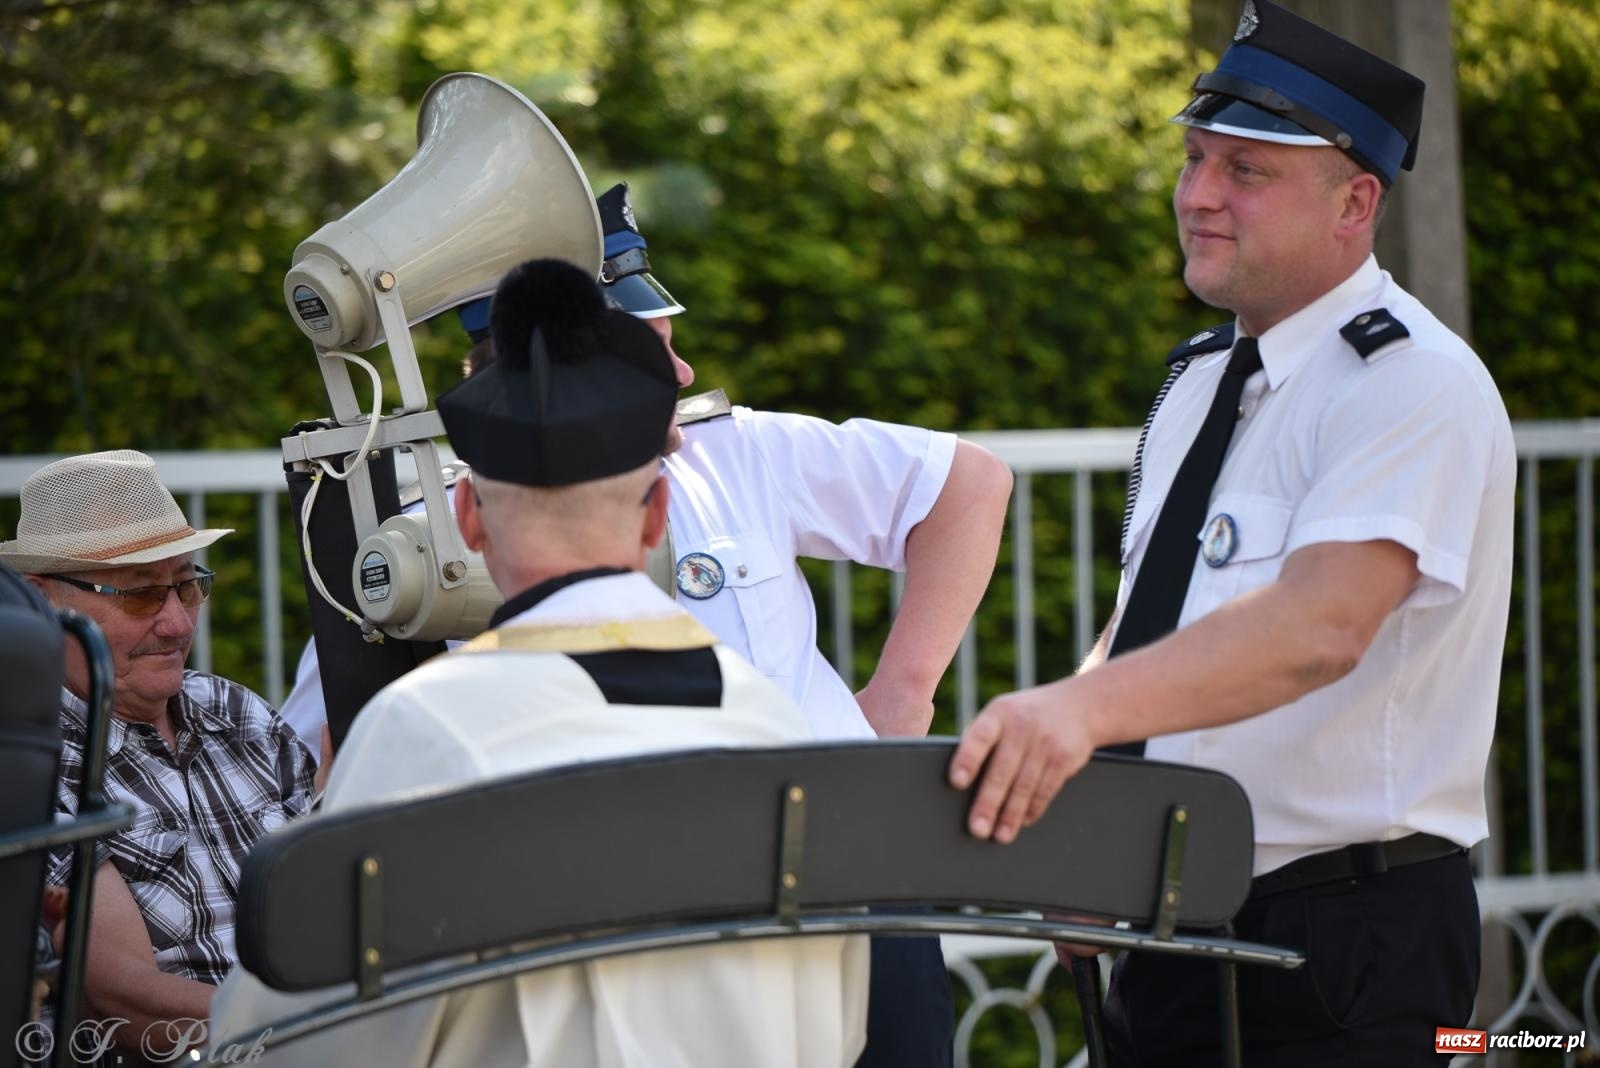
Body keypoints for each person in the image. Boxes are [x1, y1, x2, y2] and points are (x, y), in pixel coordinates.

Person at [285, 181, 1014, 1063]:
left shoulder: (735, 451)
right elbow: (317, 753)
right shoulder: (414, 551)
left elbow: (321, 1002)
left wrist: (900, 700)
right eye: (653, 347)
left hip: (842, 887)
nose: (685, 373)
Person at [948, 2, 1514, 1064]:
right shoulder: (1204, 378)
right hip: (1172, 917)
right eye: (1194, 159)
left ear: (1356, 203)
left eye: (1246, 170)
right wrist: (1091, 823)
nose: (1198, 195)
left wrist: (1072, 713)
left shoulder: (1411, 382)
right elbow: (1151, 625)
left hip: (1344, 942)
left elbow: (1320, 627)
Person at [209, 258, 870, 1067]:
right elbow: (837, 1027)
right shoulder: (771, 724)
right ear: (658, 516)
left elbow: (298, 1037)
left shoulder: (427, 727)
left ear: (466, 518)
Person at [0, 450, 315, 1053]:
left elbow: (333, 899)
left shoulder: (237, 712)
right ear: (42, 604)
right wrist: (320, 1024)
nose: (178, 624)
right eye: (141, 595)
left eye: (187, 586)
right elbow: (125, 1004)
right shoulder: (33, 763)